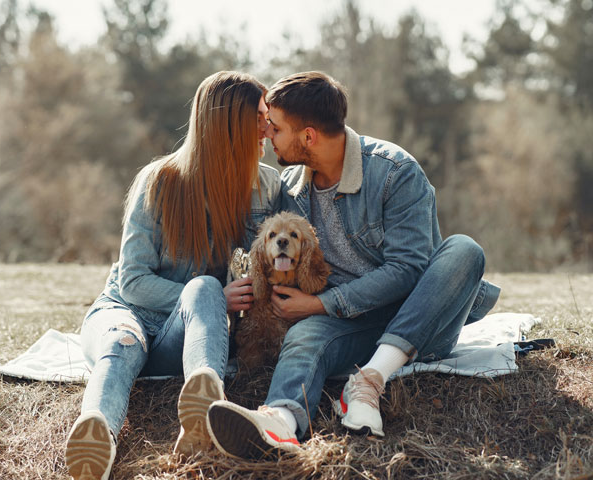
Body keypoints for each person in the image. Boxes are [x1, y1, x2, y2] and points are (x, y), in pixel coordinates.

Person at [206, 71, 501, 459]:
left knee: (465, 250)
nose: (266, 135)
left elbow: (408, 269)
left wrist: (321, 304)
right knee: (305, 337)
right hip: (347, 323)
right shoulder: (291, 187)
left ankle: (369, 380)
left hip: (418, 318)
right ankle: (279, 419)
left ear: (308, 136)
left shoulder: (395, 172)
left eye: (274, 128)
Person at [64, 71, 280, 480]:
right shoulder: (160, 182)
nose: (266, 130)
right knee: (122, 343)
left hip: (185, 334)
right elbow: (132, 281)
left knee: (203, 288)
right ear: (229, 125)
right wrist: (216, 296)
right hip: (127, 312)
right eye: (257, 118)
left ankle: (201, 406)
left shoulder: (266, 187)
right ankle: (97, 435)